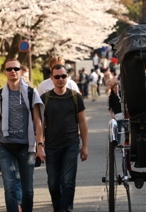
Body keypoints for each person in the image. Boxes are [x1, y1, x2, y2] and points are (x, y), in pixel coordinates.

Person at [40, 64, 88, 212]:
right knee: (54, 184)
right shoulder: (45, 98)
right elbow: (41, 124)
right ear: (51, 78)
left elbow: (82, 122)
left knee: (68, 182)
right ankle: (57, 208)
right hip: (52, 146)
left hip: (71, 144)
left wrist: (84, 146)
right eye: (57, 77)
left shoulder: (75, 97)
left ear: (67, 77)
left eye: (63, 76)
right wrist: (40, 145)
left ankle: (65, 209)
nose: (61, 79)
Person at [0, 58, 45, 212]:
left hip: (26, 146)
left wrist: (40, 145)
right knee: (10, 187)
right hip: (5, 146)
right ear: (4, 72)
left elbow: (38, 121)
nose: (13, 71)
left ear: (20, 71)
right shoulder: (0, 95)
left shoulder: (31, 93)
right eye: (9, 69)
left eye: (16, 69)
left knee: (28, 191)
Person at [108, 81, 127, 148]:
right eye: (114, 88)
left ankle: (126, 141)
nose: (116, 89)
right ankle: (117, 143)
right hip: (116, 115)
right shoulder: (111, 97)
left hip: (123, 114)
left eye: (117, 88)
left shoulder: (122, 96)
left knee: (126, 128)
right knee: (118, 129)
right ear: (112, 89)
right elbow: (110, 107)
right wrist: (112, 115)